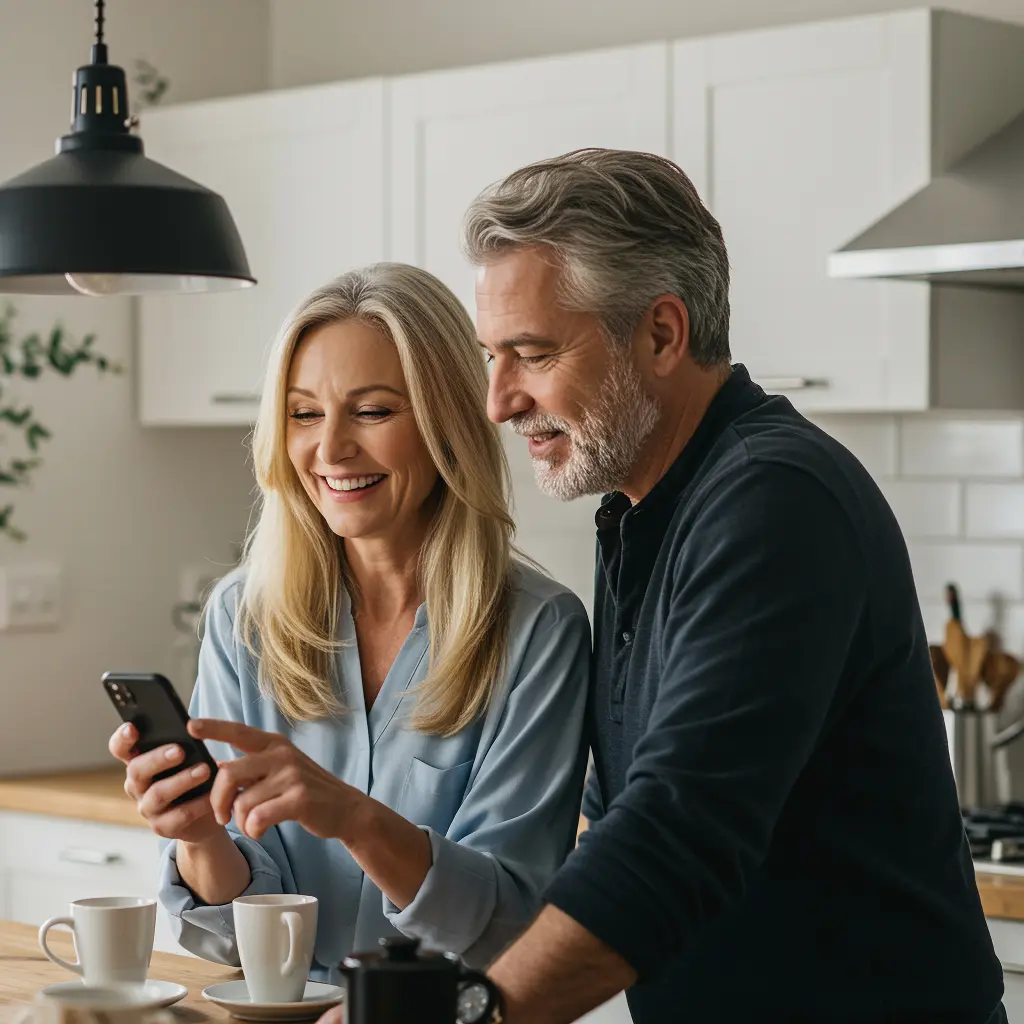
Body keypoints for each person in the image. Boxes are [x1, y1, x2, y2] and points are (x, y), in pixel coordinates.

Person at [458, 148, 1005, 1024]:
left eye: (529, 353)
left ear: (663, 333)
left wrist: (469, 1015)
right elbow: (623, 813)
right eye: (492, 355)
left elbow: (678, 833)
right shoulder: (641, 509)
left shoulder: (772, 501)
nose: (498, 401)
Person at [108, 263, 590, 979]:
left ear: (445, 423)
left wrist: (357, 820)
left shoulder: (539, 631)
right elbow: (241, 939)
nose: (330, 449)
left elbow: (508, 923)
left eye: (371, 411)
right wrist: (200, 836)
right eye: (304, 413)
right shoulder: (243, 616)